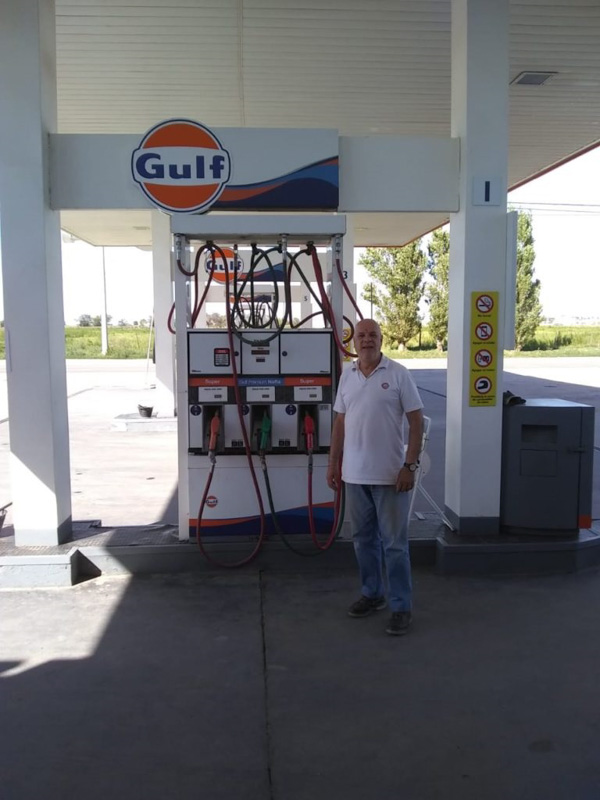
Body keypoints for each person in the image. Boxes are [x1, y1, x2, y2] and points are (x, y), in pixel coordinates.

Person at [327, 319, 424, 636]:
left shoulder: (398, 374)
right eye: (361, 335)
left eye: (373, 335)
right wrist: (333, 463)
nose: (367, 340)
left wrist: (409, 466)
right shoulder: (348, 375)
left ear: (382, 340)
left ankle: (401, 607)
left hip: (391, 477)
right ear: (353, 341)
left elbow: (416, 422)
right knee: (363, 542)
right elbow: (340, 422)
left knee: (395, 546)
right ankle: (372, 594)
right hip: (354, 476)